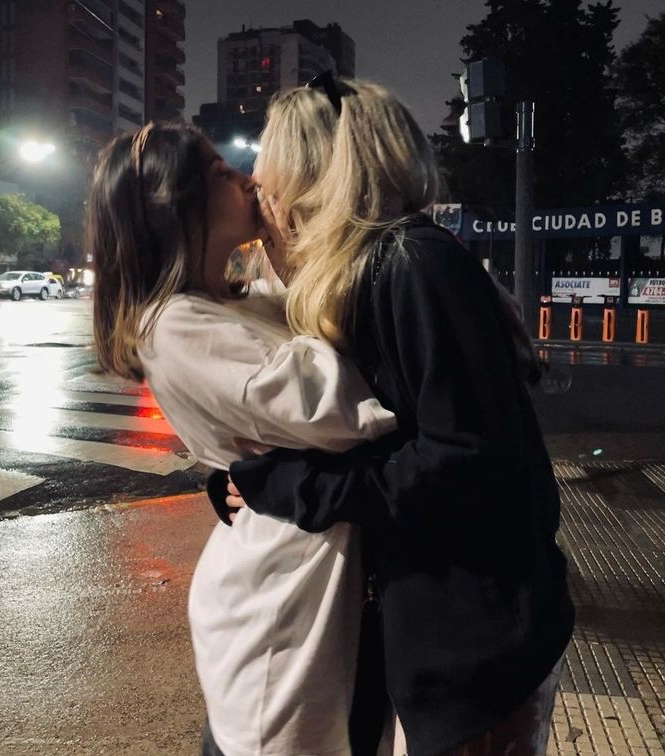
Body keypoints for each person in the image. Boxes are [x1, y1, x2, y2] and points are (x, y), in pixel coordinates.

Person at [219, 74, 575, 756]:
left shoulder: (412, 263)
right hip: (435, 642)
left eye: (270, 156)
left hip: (473, 652)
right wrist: (261, 482)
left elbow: (464, 457)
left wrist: (296, 487)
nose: (256, 174)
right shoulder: (366, 270)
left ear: (316, 168)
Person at [87, 122, 398, 756]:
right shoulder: (174, 323)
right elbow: (335, 408)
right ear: (173, 205)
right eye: (218, 170)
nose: (247, 177)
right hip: (277, 605)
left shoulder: (237, 301)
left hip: (312, 575)